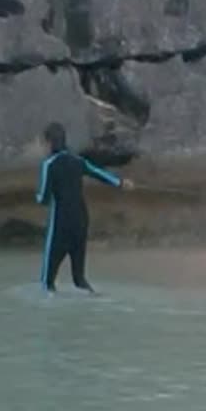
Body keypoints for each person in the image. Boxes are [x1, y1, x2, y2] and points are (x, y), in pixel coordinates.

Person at [35, 122, 132, 294]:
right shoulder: (78, 161)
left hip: (60, 224)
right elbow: (99, 173)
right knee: (79, 279)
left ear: (49, 142)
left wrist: (38, 196)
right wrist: (121, 183)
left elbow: (43, 198)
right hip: (81, 221)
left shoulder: (49, 164)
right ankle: (96, 299)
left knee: (46, 282)